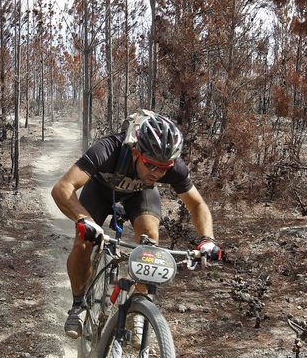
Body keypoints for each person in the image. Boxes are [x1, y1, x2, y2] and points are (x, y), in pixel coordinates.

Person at [51, 112, 221, 338]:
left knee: (150, 236)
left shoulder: (171, 167)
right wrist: (84, 220)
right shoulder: (108, 149)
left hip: (139, 194)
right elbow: (62, 188)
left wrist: (207, 240)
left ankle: (138, 310)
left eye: (164, 167)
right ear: (135, 150)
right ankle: (78, 305)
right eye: (151, 165)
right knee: (84, 240)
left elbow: (197, 204)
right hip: (100, 191)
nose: (158, 173)